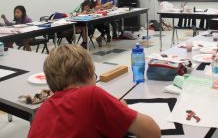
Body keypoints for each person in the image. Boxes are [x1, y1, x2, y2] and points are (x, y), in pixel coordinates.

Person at [27, 45, 160, 138]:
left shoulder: (42, 109)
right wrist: (120, 108)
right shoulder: (91, 95)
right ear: (89, 73)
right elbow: (152, 132)